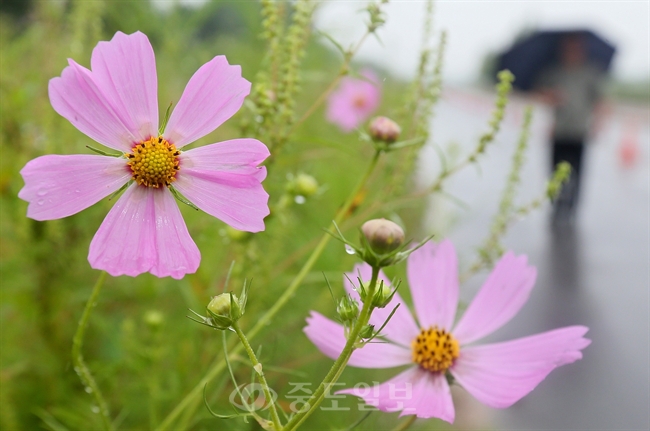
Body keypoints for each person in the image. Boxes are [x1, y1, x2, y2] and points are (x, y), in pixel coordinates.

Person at [534, 34, 606, 223]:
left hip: (579, 131)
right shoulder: (554, 71)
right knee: (555, 172)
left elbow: (600, 100)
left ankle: (572, 208)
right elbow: (541, 94)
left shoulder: (590, 72)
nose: (572, 51)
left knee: (577, 173)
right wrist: (551, 95)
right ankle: (557, 206)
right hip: (559, 131)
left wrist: (597, 124)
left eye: (576, 47)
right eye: (568, 47)